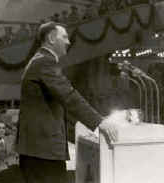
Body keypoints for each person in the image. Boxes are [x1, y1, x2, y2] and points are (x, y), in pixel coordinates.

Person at [17, 21, 117, 183]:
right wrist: (100, 122)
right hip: (42, 151)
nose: (68, 41)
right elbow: (69, 96)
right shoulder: (45, 62)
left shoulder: (40, 60)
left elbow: (61, 100)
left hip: (38, 149)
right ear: (51, 38)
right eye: (64, 37)